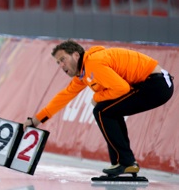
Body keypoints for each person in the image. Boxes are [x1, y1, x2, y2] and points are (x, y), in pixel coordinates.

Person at [24, 40, 174, 177]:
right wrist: (36, 120)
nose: (61, 66)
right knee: (109, 110)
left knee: (102, 110)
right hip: (154, 84)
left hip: (156, 85)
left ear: (76, 55)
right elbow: (64, 96)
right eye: (58, 63)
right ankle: (124, 163)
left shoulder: (93, 64)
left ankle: (125, 163)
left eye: (63, 60)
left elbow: (121, 88)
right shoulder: (84, 72)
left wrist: (96, 98)